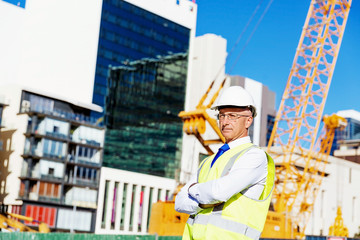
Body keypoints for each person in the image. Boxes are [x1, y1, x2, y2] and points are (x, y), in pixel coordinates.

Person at [175, 86, 275, 240]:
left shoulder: (255, 156)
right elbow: (180, 202)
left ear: (248, 120)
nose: (225, 121)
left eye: (232, 116)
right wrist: (204, 202)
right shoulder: (208, 162)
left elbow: (218, 192)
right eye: (222, 115)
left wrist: (193, 190)